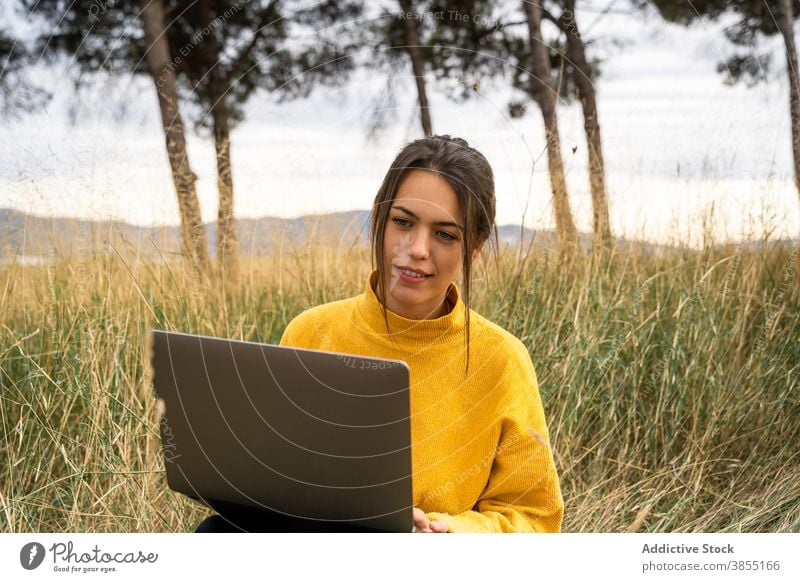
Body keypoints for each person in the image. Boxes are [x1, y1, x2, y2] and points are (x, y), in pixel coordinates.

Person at [195, 134, 564, 533]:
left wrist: (448, 532)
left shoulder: (502, 358)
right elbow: (277, 479)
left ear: (474, 248)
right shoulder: (312, 331)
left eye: (445, 234)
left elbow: (535, 517)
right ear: (379, 220)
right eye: (403, 222)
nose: (417, 248)